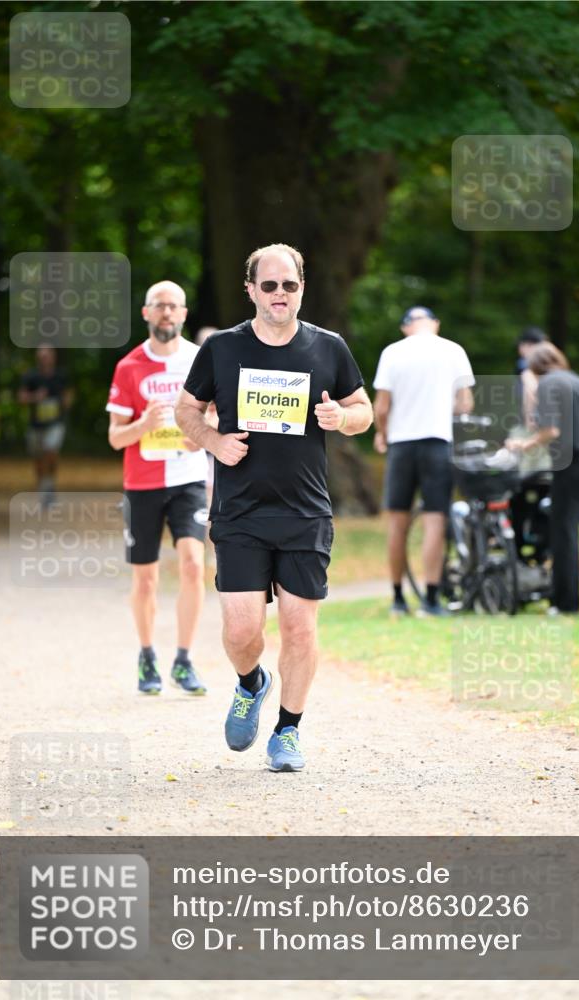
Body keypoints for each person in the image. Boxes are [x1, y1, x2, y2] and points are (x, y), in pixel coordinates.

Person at [175, 243, 373, 772]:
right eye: (269, 285)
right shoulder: (221, 349)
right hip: (240, 511)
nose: (280, 294)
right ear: (251, 290)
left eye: (289, 285)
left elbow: (364, 409)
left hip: (305, 511)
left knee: (300, 629)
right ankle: (250, 683)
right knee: (242, 633)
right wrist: (215, 443)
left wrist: (342, 419)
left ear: (302, 288)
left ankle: (288, 731)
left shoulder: (328, 348)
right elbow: (187, 410)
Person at [106, 280, 210, 696]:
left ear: (184, 314)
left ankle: (184, 660)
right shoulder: (129, 366)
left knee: (192, 564)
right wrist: (143, 425)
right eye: (159, 306)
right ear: (146, 313)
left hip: (187, 479)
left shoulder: (201, 360)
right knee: (146, 579)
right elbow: (116, 438)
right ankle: (147, 654)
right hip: (143, 483)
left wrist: (199, 434)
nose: (167, 313)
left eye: (174, 306)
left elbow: (219, 419)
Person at [372, 306, 475, 618]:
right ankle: (431, 600)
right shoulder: (453, 350)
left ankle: (398, 598)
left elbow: (381, 406)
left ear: (406, 327)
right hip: (437, 442)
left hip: (402, 444)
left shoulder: (392, 352)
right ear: (436, 324)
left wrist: (382, 433)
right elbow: (465, 403)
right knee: (434, 521)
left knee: (397, 524)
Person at [507, 342, 579, 617]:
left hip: (575, 459)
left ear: (535, 367)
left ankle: (565, 603)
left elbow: (550, 430)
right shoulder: (577, 380)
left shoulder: (547, 384)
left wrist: (523, 445)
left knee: (564, 528)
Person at [18, 345, 73, 506]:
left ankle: (50, 486)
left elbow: (68, 394)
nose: (45, 358)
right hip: (35, 425)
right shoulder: (31, 376)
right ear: (38, 358)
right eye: (42, 356)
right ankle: (43, 487)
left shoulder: (60, 376)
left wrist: (66, 401)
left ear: (53, 357)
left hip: (55, 423)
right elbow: (21, 398)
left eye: (47, 355)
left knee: (51, 451)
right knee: (38, 459)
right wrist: (35, 397)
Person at [515, 326, 548, 429]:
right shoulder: (548, 364)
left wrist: (530, 420)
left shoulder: (526, 363)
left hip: (535, 422)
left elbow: (531, 390)